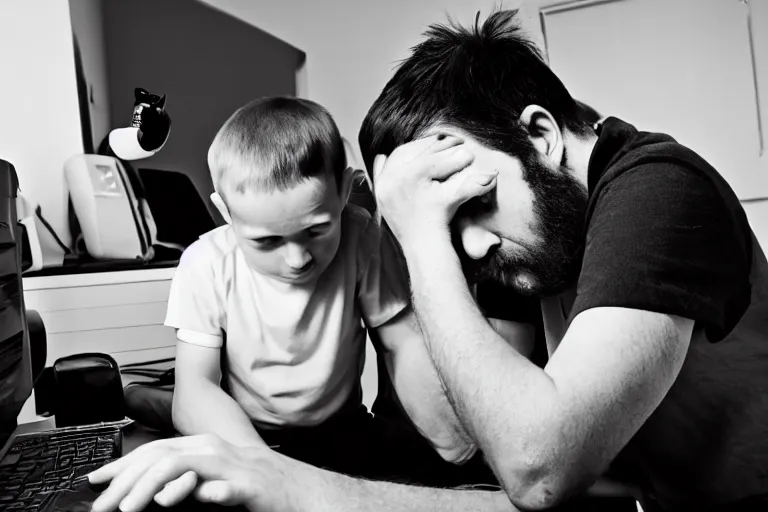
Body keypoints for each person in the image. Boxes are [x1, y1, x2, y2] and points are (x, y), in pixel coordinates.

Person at [86, 10, 768, 512]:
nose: (465, 244)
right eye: (443, 220)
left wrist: (416, 238)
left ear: (539, 134)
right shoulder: (530, 247)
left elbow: (537, 467)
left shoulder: (661, 187)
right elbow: (471, 442)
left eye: (467, 203)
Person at [165, 97, 508, 479]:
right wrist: (268, 470)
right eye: (267, 241)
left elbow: (402, 343)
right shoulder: (204, 264)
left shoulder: (361, 238)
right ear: (226, 212)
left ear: (344, 190)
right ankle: (143, 401)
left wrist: (459, 447)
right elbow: (195, 389)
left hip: (341, 429)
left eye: (316, 230)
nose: (297, 259)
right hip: (246, 431)